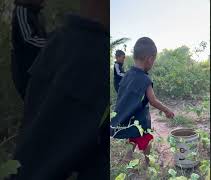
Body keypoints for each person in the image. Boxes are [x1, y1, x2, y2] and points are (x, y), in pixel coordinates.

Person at [11, 0, 108, 179]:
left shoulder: (65, 43)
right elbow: (28, 38)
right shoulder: (23, 12)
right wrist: (49, 43)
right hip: (29, 68)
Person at [109, 37, 175, 166]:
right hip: (141, 118)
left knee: (133, 137)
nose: (153, 63)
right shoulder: (145, 79)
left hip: (130, 117)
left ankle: (127, 159)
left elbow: (121, 95)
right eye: (154, 61)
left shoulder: (127, 75)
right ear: (149, 59)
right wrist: (167, 110)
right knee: (147, 139)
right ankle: (149, 162)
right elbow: (153, 101)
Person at [11, 0, 47, 100]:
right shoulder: (21, 11)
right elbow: (29, 40)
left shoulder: (38, 14)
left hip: (38, 72)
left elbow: (43, 40)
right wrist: (52, 43)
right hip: (25, 74)